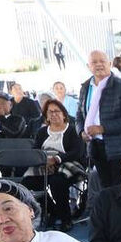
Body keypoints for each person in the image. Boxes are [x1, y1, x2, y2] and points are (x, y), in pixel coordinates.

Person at [76, 50, 121, 190]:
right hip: (96, 147)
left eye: (102, 61)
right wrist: (81, 131)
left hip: (120, 149)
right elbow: (79, 115)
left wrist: (102, 128)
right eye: (94, 62)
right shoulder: (85, 88)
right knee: (106, 190)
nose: (98, 65)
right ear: (88, 66)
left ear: (110, 64)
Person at [28, 99, 86, 230]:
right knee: (28, 181)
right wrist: (42, 162)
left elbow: (78, 152)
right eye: (50, 112)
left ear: (64, 114)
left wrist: (56, 159)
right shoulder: (42, 132)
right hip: (44, 163)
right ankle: (53, 210)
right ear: (46, 116)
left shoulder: (73, 130)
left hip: (69, 163)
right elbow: (36, 150)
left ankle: (66, 219)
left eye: (57, 111)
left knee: (57, 182)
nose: (54, 114)